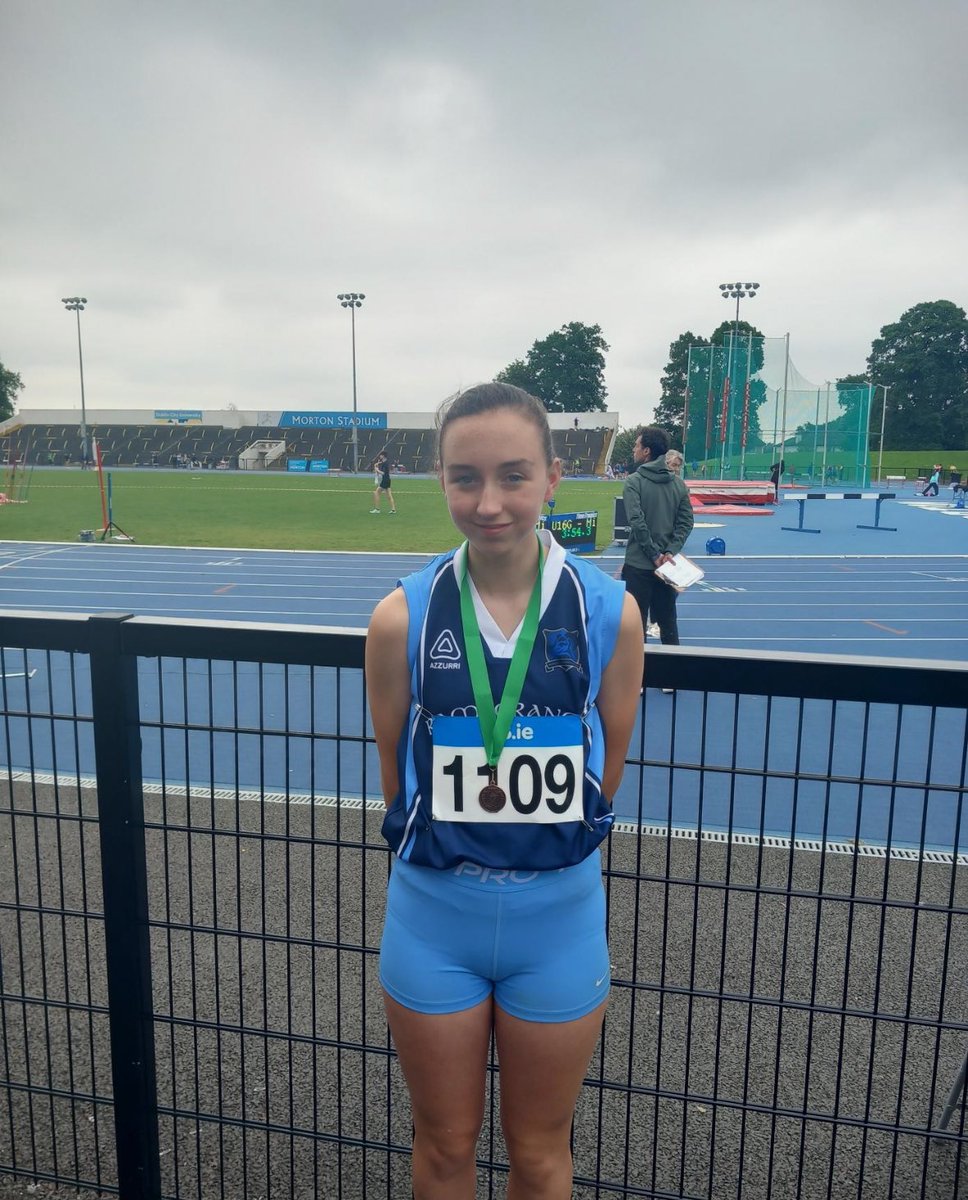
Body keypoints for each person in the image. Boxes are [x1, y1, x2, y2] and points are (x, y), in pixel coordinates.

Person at [365, 382, 642, 1200]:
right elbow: (396, 776)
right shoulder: (401, 619)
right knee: (445, 1147)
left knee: (540, 1153)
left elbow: (607, 769)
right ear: (440, 481)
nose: (489, 503)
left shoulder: (608, 614)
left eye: (514, 477)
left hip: (556, 921)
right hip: (433, 917)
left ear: (554, 478)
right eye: (465, 478)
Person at [622, 427, 695, 690]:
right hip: (667, 567)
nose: (633, 449)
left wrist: (653, 554)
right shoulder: (678, 484)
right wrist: (669, 552)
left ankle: (637, 680)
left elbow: (636, 522)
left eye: (636, 445)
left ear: (647, 451)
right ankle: (670, 678)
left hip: (639, 564)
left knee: (634, 625)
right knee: (668, 621)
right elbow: (686, 522)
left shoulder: (634, 482)